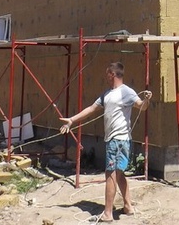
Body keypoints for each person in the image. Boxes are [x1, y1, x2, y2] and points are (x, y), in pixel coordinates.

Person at [59, 62, 152, 222]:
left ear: (113, 74)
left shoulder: (126, 92)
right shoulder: (107, 94)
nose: (105, 77)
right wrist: (71, 120)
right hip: (113, 140)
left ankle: (108, 213)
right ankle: (128, 206)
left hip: (119, 140)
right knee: (119, 174)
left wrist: (147, 100)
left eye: (107, 74)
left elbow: (141, 106)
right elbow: (91, 109)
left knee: (111, 174)